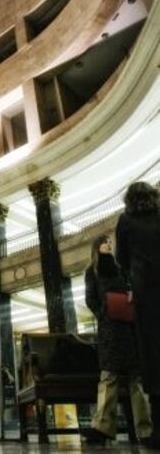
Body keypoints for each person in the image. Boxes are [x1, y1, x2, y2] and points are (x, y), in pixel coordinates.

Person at [83, 233, 152, 445]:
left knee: (137, 380)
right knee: (109, 377)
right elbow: (90, 299)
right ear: (97, 246)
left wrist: (131, 294)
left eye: (110, 241)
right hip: (109, 330)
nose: (109, 244)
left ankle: (146, 430)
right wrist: (103, 313)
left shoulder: (122, 267)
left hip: (129, 328)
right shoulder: (92, 271)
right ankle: (102, 428)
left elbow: (134, 287)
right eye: (104, 241)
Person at [116, 181, 160, 449]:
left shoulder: (126, 221)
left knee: (152, 360)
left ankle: (158, 431)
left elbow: (121, 258)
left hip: (146, 298)